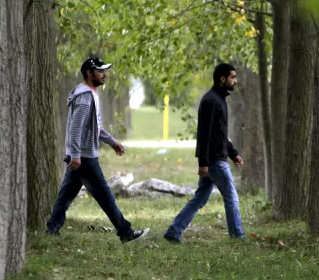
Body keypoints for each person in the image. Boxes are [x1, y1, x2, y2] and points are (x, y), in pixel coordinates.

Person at [45, 56, 149, 243]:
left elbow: (95, 127)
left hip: (79, 156)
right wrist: (76, 155)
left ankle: (51, 230)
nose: (104, 74)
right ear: (89, 73)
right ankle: (125, 233)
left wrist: (112, 142)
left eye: (104, 71)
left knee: (65, 196)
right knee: (106, 197)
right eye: (100, 71)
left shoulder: (89, 93)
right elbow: (76, 128)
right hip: (83, 157)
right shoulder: (85, 97)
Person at [163, 63, 246, 243]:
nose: (235, 80)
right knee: (231, 197)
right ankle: (237, 237)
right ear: (222, 79)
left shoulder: (219, 100)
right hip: (214, 160)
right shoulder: (210, 101)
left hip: (216, 158)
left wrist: (233, 153)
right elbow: (204, 134)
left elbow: (220, 134)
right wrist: (203, 162)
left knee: (200, 198)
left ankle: (173, 231)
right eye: (232, 77)